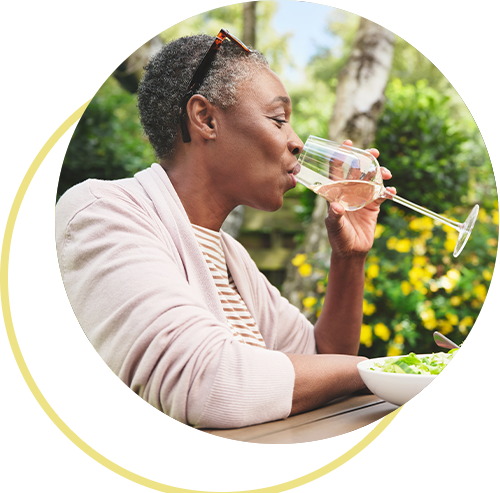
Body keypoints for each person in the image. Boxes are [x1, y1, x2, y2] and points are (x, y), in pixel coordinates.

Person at [55, 29, 395, 429]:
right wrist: (381, 371)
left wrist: (349, 258)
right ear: (206, 119)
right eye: (279, 120)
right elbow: (208, 384)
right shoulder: (99, 212)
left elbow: (324, 360)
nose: (297, 142)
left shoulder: (232, 257)